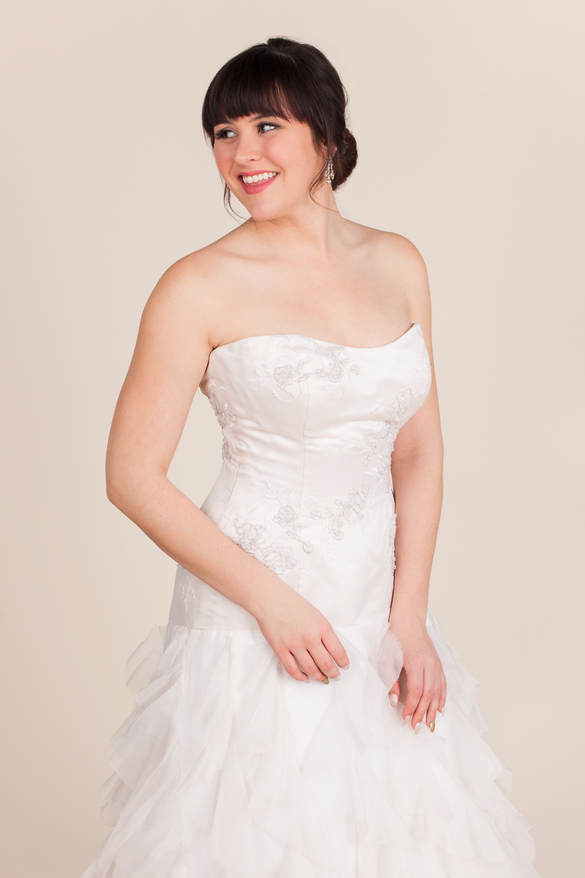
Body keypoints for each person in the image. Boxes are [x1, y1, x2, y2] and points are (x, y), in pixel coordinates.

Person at [81, 36, 541, 878]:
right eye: (223, 133)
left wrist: (409, 618)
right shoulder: (195, 285)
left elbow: (418, 450)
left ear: (327, 135)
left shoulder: (397, 262)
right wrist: (272, 604)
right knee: (254, 834)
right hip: (249, 606)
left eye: (266, 126)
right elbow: (131, 476)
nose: (242, 153)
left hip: (376, 597)